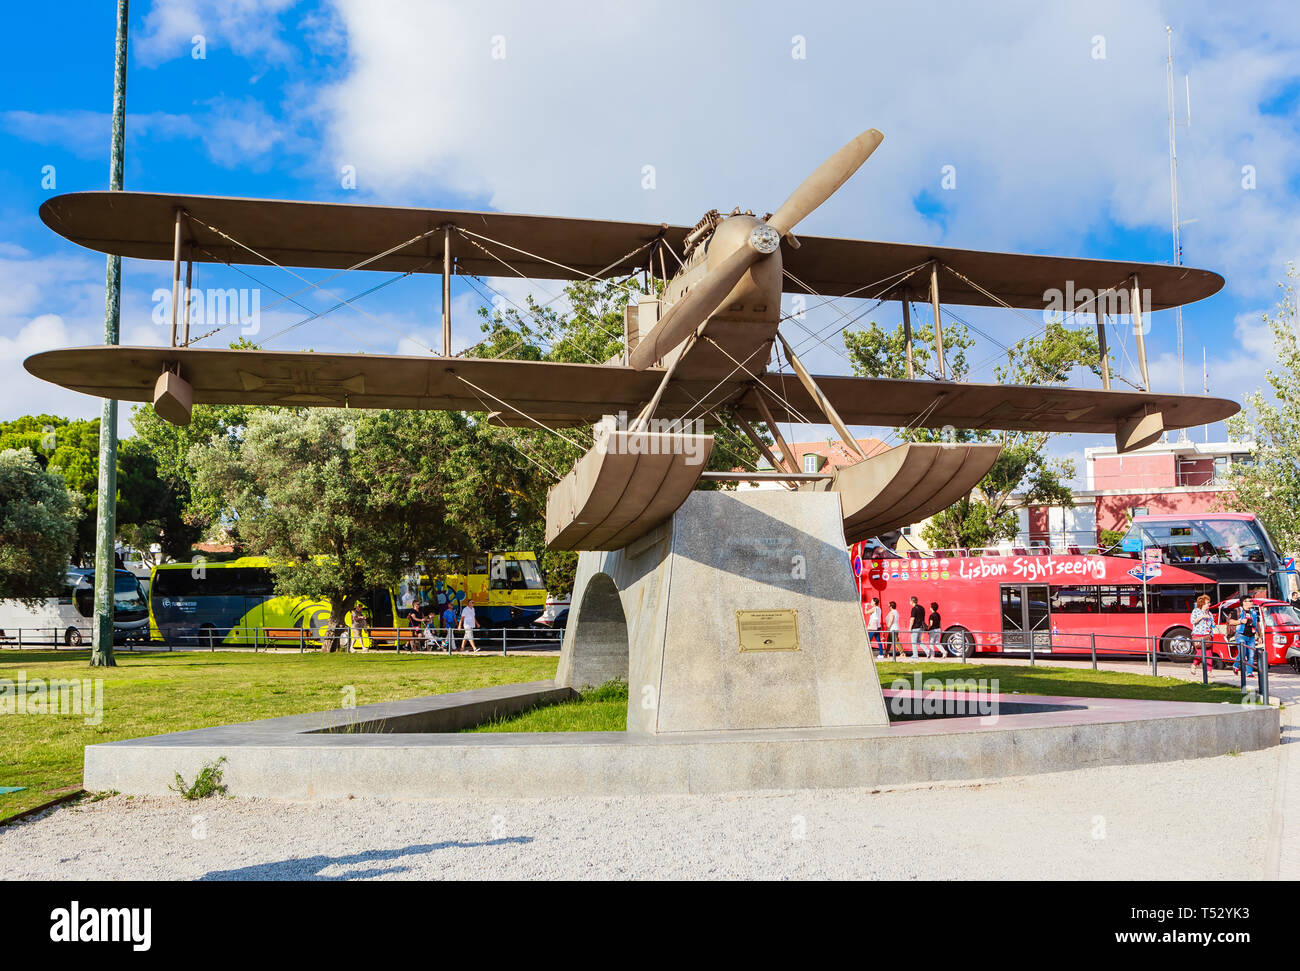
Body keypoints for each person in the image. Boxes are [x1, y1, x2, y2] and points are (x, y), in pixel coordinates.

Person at [1233, 595, 1258, 677]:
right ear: (1244, 602)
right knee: (1242, 653)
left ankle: (1249, 673)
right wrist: (1240, 621)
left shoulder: (1253, 612)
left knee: (1251, 655)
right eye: (1249, 601)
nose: (1252, 602)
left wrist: (1259, 635)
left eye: (1251, 601)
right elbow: (1230, 621)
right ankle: (1235, 666)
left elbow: (1256, 624)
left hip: (1251, 636)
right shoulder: (1237, 611)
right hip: (1241, 635)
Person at [1190, 593, 1214, 671]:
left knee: (1209, 653)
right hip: (1198, 634)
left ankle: (1209, 671)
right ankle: (1194, 664)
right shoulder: (1196, 611)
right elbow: (1193, 621)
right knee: (1200, 652)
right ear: (1202, 603)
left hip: (1207, 635)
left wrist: (1213, 625)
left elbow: (1211, 624)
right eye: (1207, 603)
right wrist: (1202, 617)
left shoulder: (1209, 613)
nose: (1209, 604)